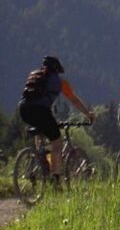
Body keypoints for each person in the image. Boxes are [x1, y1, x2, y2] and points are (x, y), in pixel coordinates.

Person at [17, 56, 95, 184]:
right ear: (57, 69)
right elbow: (73, 100)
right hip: (40, 111)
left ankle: (40, 158)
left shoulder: (35, 76)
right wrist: (88, 114)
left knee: (41, 129)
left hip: (23, 109)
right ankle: (55, 178)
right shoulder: (60, 82)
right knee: (57, 142)